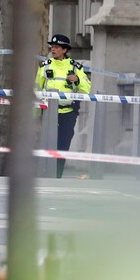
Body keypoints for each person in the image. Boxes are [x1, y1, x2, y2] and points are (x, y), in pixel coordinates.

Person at [35, 34, 91, 178]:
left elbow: (87, 89)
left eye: (56, 47)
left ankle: (57, 174)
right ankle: (44, 173)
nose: (53, 49)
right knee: (47, 144)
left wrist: (77, 80)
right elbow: (37, 88)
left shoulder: (75, 66)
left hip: (68, 113)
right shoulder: (45, 65)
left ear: (64, 50)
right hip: (48, 112)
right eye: (52, 47)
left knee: (63, 144)